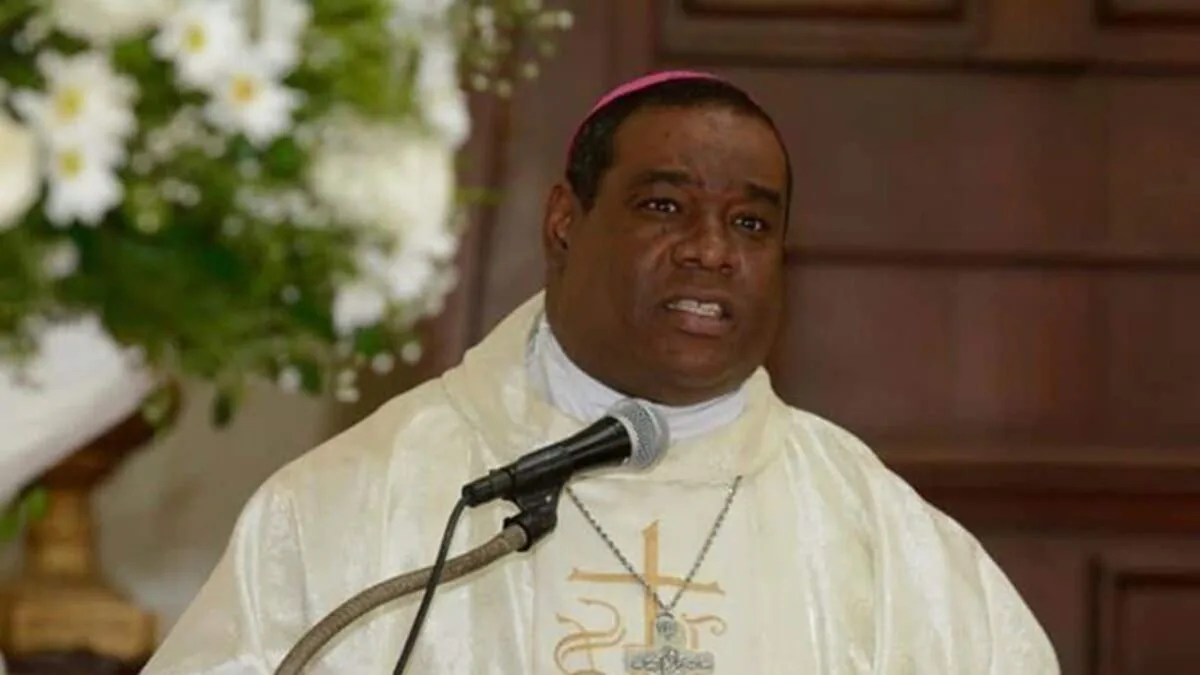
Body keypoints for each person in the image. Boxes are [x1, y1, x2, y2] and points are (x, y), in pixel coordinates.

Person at [141, 71, 1060, 674]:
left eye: (750, 224)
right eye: (664, 206)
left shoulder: (878, 534)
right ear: (563, 223)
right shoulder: (361, 499)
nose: (711, 251)